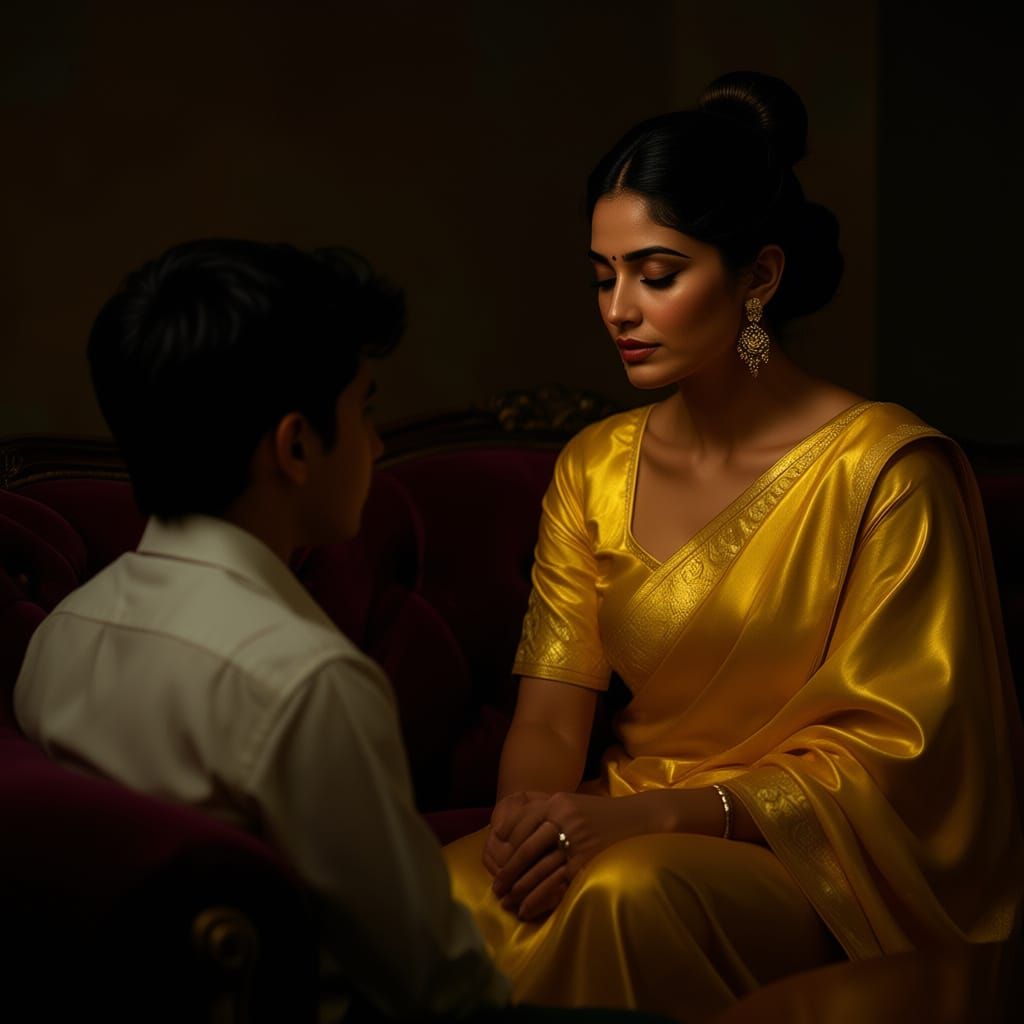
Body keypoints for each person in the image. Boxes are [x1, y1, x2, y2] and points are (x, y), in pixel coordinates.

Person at [443, 71, 1024, 1022]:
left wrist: (651, 816)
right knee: (459, 895)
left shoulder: (884, 470)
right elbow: (552, 719)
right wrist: (523, 825)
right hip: (628, 813)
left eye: (656, 275)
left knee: (627, 900)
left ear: (759, 276)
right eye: (603, 275)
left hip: (810, 851)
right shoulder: (594, 467)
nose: (618, 310)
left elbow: (905, 760)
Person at [13, 240, 510, 1021]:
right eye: (366, 408)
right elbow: (439, 989)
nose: (378, 445)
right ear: (296, 446)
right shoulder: (304, 680)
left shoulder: (63, 638)